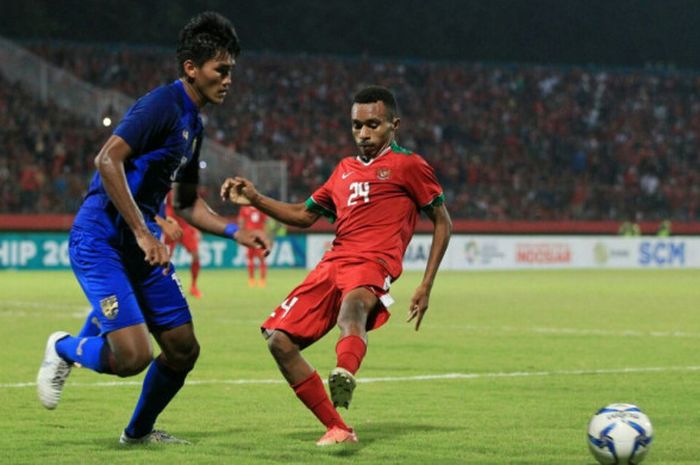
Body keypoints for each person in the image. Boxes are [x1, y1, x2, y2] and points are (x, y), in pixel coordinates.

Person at [36, 11, 269, 445]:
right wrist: (144, 230)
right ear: (191, 69)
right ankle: (63, 347)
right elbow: (107, 159)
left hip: (140, 242)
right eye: (221, 70)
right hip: (101, 238)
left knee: (183, 348)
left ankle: (137, 434)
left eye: (231, 71)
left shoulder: (194, 124)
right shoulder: (162, 104)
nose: (228, 79)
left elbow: (186, 204)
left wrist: (236, 232)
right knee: (133, 356)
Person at [220, 85, 452, 446]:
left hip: (372, 262)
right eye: (357, 126)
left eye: (373, 125)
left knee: (353, 307)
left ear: (395, 124)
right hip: (333, 261)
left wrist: (426, 285)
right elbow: (301, 215)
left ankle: (345, 369)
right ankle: (338, 428)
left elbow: (443, 221)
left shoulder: (409, 165)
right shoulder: (343, 171)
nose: (363, 134)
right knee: (278, 341)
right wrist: (254, 197)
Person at [161, 190, 204, 297]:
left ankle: (193, 287)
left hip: (185, 226)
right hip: (171, 225)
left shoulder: (188, 188)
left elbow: (194, 209)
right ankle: (163, 287)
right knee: (164, 259)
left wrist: (196, 227)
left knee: (196, 256)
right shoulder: (167, 187)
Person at [238, 205, 269, 287]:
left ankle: (261, 280)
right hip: (250, 237)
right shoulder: (245, 208)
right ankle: (252, 279)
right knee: (251, 258)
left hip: (258, 237)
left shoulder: (259, 208)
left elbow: (265, 222)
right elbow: (241, 221)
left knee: (261, 258)